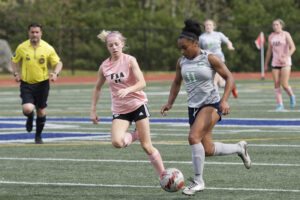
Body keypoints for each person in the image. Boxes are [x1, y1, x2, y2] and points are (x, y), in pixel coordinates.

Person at [161, 19, 251, 196]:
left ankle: (198, 182)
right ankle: (239, 148)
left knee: (193, 137)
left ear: (195, 43)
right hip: (193, 108)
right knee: (207, 149)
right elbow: (176, 82)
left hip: (211, 105)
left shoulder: (209, 58)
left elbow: (229, 77)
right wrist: (170, 102)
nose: (182, 51)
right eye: (180, 48)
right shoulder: (182, 62)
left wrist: (224, 101)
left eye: (185, 47)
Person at [90, 30, 165, 178]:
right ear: (107, 47)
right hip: (120, 110)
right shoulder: (104, 66)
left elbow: (142, 83)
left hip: (137, 105)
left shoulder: (130, 60)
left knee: (146, 146)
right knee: (117, 142)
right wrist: (93, 110)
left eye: (117, 44)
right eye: (111, 45)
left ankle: (163, 175)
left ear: (122, 44)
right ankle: (136, 134)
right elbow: (97, 87)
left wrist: (128, 89)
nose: (114, 47)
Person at [11, 23, 63, 144]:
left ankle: (38, 136)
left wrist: (55, 73)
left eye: (37, 32)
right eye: (32, 32)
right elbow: (14, 61)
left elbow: (58, 62)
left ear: (41, 33)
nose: (34, 34)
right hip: (26, 84)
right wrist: (16, 73)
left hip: (42, 84)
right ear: (29, 33)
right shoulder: (22, 47)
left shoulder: (48, 47)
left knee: (41, 111)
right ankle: (29, 117)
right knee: (28, 109)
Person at [199, 19, 238, 98]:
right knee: (220, 83)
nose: (208, 26)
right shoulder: (202, 37)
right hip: (208, 61)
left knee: (214, 81)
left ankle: (215, 102)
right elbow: (198, 48)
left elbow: (228, 41)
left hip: (219, 60)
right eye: (206, 25)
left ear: (214, 26)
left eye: (210, 25)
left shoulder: (218, 34)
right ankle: (232, 86)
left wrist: (230, 46)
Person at [264, 19, 296, 111]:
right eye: (273, 25)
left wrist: (286, 57)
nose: (275, 26)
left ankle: (292, 96)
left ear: (281, 25)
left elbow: (293, 47)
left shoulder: (286, 34)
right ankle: (280, 104)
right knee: (276, 84)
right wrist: (266, 64)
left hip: (285, 62)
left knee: (284, 84)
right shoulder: (271, 36)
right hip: (275, 62)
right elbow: (269, 51)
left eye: (277, 25)